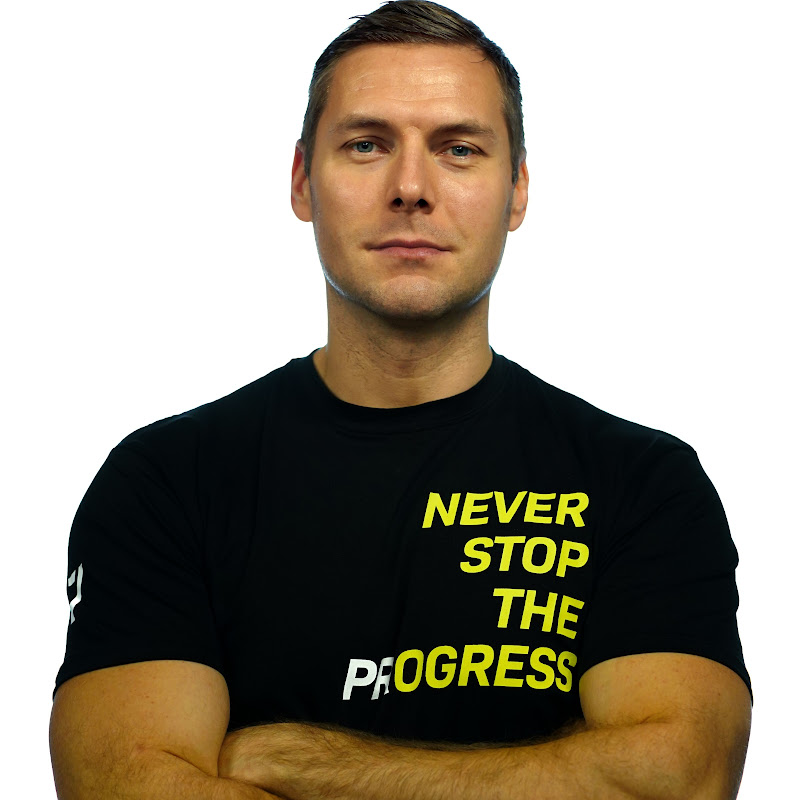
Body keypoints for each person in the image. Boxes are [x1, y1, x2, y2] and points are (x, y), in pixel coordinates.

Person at [50, 1, 752, 798]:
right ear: (302, 181)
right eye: (366, 144)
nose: (411, 188)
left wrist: (301, 763)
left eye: (459, 149)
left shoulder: (644, 485)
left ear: (517, 190)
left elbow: (676, 782)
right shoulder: (167, 483)